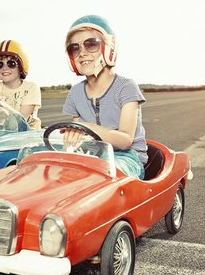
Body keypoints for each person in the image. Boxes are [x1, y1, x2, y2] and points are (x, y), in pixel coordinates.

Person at [62, 15, 147, 179]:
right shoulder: (75, 93)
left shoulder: (126, 87)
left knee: (104, 174)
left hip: (127, 157)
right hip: (91, 155)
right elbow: (75, 134)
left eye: (91, 44)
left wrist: (88, 128)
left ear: (109, 48)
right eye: (75, 48)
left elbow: (125, 140)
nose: (82, 53)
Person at [0, 39, 41, 129]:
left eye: (11, 63)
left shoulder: (31, 87)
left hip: (27, 136)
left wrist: (2, 104)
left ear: (21, 66)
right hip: (1, 134)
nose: (5, 68)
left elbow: (21, 120)